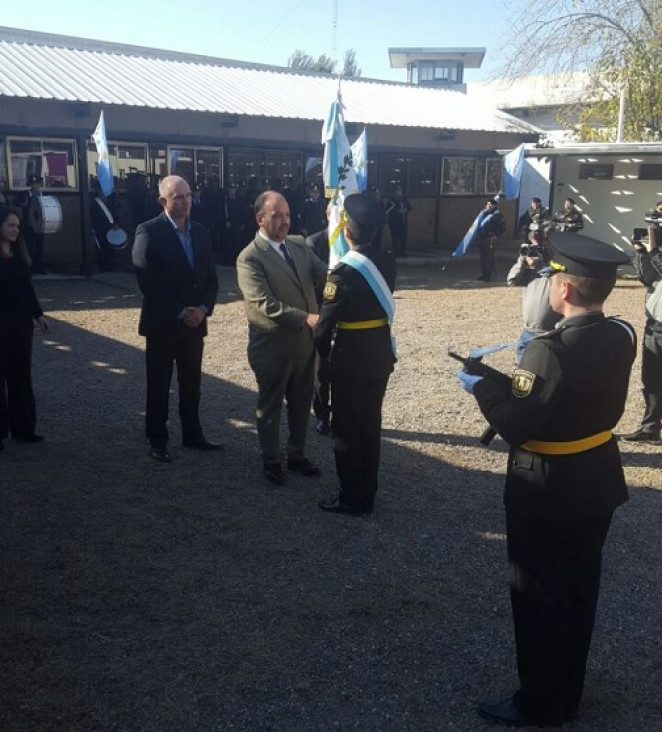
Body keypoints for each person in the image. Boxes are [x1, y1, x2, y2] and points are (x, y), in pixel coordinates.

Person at [456, 232, 635, 728]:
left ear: (565, 290)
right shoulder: (622, 333)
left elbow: (517, 424)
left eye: (555, 278)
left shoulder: (547, 351)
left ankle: (540, 700)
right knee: (579, 589)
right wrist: (497, 381)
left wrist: (479, 391)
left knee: (537, 593)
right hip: (596, 478)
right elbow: (563, 399)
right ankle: (568, 689)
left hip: (547, 489)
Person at [236, 190, 328, 486]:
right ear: (260, 219)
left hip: (304, 345)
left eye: (287, 215)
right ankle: (272, 460)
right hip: (273, 346)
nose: (284, 221)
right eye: (277, 216)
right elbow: (264, 302)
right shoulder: (249, 258)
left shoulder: (299, 245)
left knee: (302, 404)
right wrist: (306, 317)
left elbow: (323, 273)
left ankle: (297, 455)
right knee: (271, 406)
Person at [314, 194, 397, 516]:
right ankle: (369, 490)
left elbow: (324, 327)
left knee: (347, 429)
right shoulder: (388, 261)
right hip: (379, 354)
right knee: (369, 424)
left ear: (346, 230)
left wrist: (323, 359)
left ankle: (351, 496)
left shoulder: (343, 273)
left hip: (349, 360)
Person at [132, 175, 221, 463]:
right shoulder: (148, 231)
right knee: (159, 383)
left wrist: (204, 309)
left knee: (191, 382)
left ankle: (192, 434)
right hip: (163, 323)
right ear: (163, 201)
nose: (185, 202)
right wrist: (181, 311)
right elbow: (148, 281)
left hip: (195, 323)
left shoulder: (201, 232)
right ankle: (157, 439)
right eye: (177, 197)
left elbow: (211, 279)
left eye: (188, 196)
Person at [0, 205, 49, 453]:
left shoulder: (20, 255)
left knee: (20, 375)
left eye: (17, 226)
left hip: (20, 324)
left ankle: (24, 428)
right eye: (10, 225)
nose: (15, 230)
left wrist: (38, 315)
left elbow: (27, 289)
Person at [618, 206, 662, 445]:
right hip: (654, 326)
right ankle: (651, 427)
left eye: (657, 226)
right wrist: (641, 254)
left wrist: (653, 248)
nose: (654, 230)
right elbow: (648, 278)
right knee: (652, 380)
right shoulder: (658, 254)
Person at [506, 235, 561, 362]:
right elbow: (511, 280)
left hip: (549, 334)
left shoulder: (559, 270)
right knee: (522, 371)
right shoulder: (531, 271)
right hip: (527, 332)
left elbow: (553, 276)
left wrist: (540, 264)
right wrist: (522, 260)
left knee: (543, 371)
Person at [305, 209, 332, 435]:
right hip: (322, 311)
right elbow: (311, 282)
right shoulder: (314, 242)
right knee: (321, 369)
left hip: (347, 315)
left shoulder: (356, 240)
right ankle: (322, 414)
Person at [13, 175, 46, 274]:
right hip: (29, 224)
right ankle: (29, 267)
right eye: (33, 184)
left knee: (39, 247)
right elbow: (15, 201)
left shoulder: (42, 194)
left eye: (37, 184)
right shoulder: (26, 194)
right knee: (29, 246)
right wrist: (24, 205)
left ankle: (38, 267)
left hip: (40, 224)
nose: (35, 186)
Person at [475, 198, 506, 282]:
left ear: (494, 205)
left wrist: (496, 235)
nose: (488, 206)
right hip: (482, 237)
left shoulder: (497, 215)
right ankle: (484, 274)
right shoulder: (485, 214)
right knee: (483, 258)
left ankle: (488, 275)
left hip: (489, 238)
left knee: (488, 258)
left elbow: (502, 227)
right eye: (487, 204)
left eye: (490, 205)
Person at [386, 183, 412, 257]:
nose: (399, 192)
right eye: (397, 191)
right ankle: (395, 252)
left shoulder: (403, 200)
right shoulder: (391, 201)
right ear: (394, 192)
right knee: (395, 237)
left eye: (400, 190)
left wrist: (405, 210)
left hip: (403, 222)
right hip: (394, 222)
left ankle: (402, 252)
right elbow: (388, 211)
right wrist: (397, 211)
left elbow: (410, 207)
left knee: (403, 237)